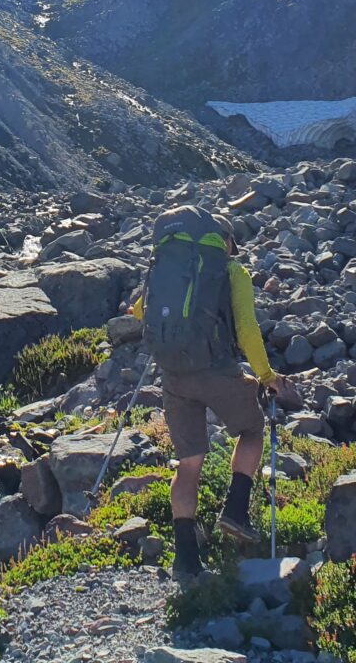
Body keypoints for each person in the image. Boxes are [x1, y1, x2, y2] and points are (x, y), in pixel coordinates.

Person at [129, 205, 287, 579]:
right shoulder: (232, 271)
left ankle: (185, 561)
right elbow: (247, 330)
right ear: (226, 241)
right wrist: (266, 376)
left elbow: (139, 311)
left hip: (174, 375)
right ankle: (234, 509)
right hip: (215, 370)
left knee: (188, 465)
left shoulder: (168, 265)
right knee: (252, 429)